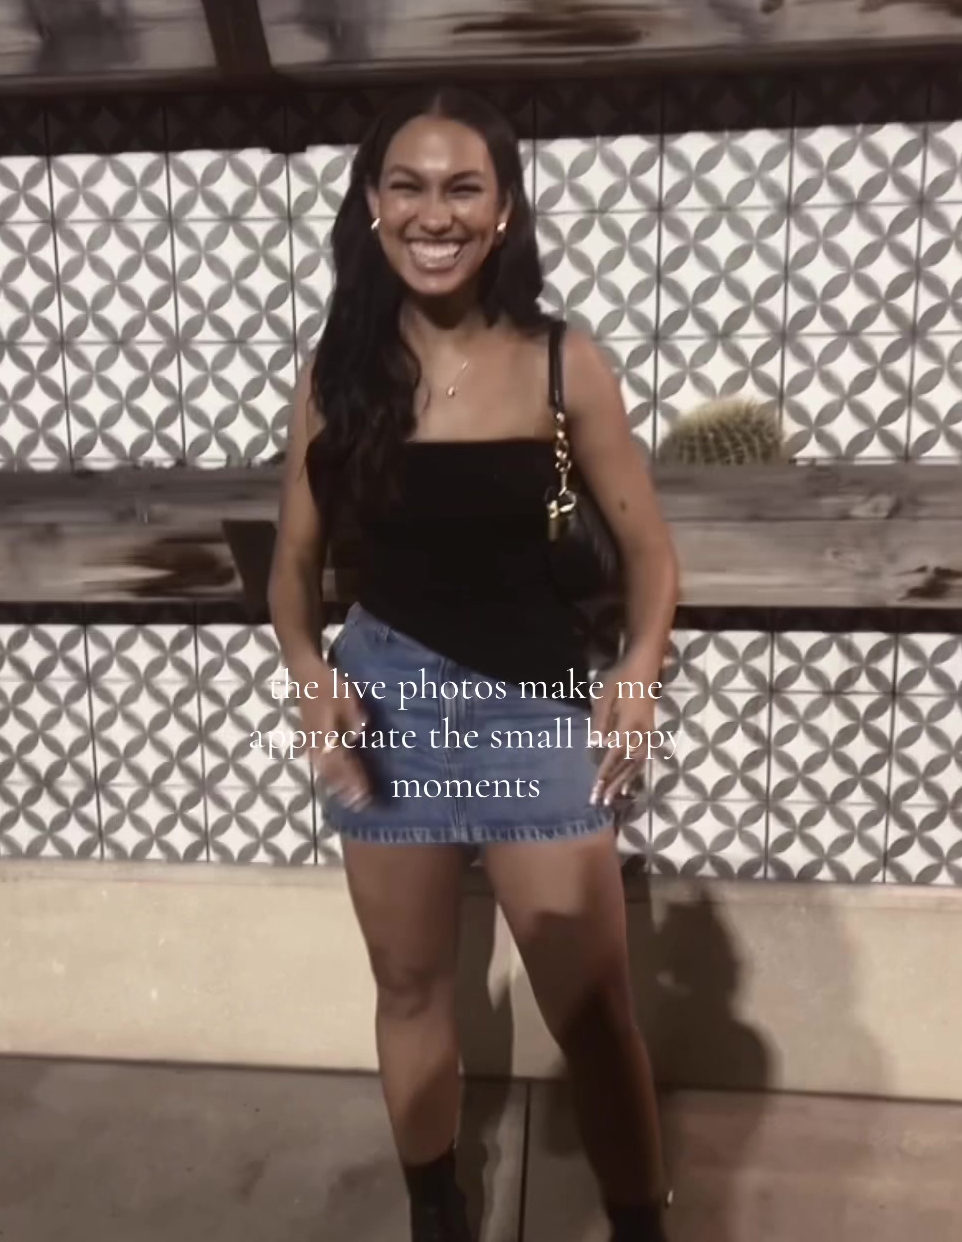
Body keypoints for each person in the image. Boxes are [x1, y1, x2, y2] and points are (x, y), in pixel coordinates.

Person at [268, 86, 680, 1242]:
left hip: (534, 715)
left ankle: (639, 1225)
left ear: (502, 212)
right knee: (409, 988)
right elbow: (293, 564)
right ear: (372, 201)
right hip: (388, 707)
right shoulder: (337, 373)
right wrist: (310, 671)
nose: (434, 213)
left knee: (591, 1014)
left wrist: (637, 673)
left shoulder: (562, 363)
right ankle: (437, 1210)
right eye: (408, 185)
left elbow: (650, 553)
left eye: (463, 188)